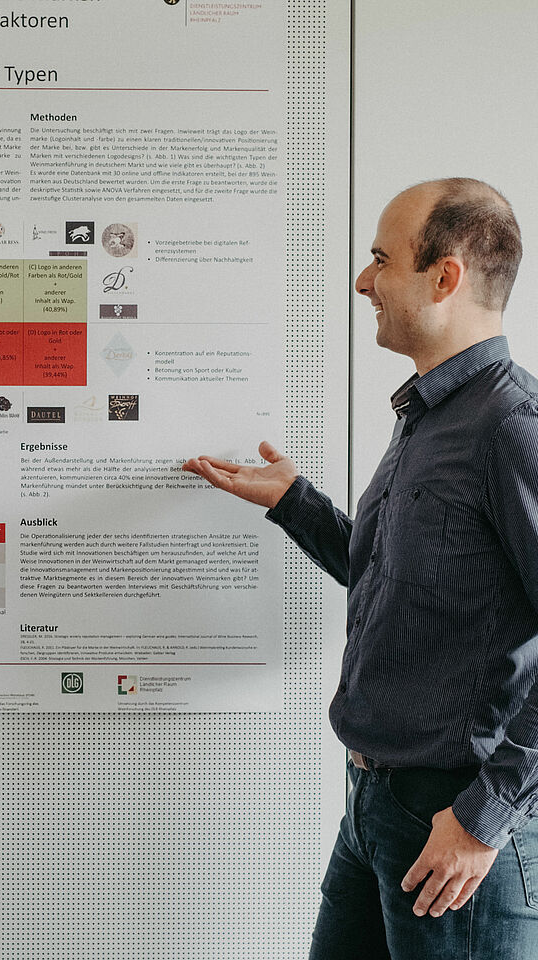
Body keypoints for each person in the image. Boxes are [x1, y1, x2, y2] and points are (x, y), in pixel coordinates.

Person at [184, 178, 538, 958]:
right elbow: (395, 576)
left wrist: (483, 817)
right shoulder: (431, 416)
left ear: (445, 277)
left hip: (453, 829)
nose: (363, 281)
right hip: (376, 808)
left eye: (381, 258)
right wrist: (294, 503)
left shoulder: (512, 425)